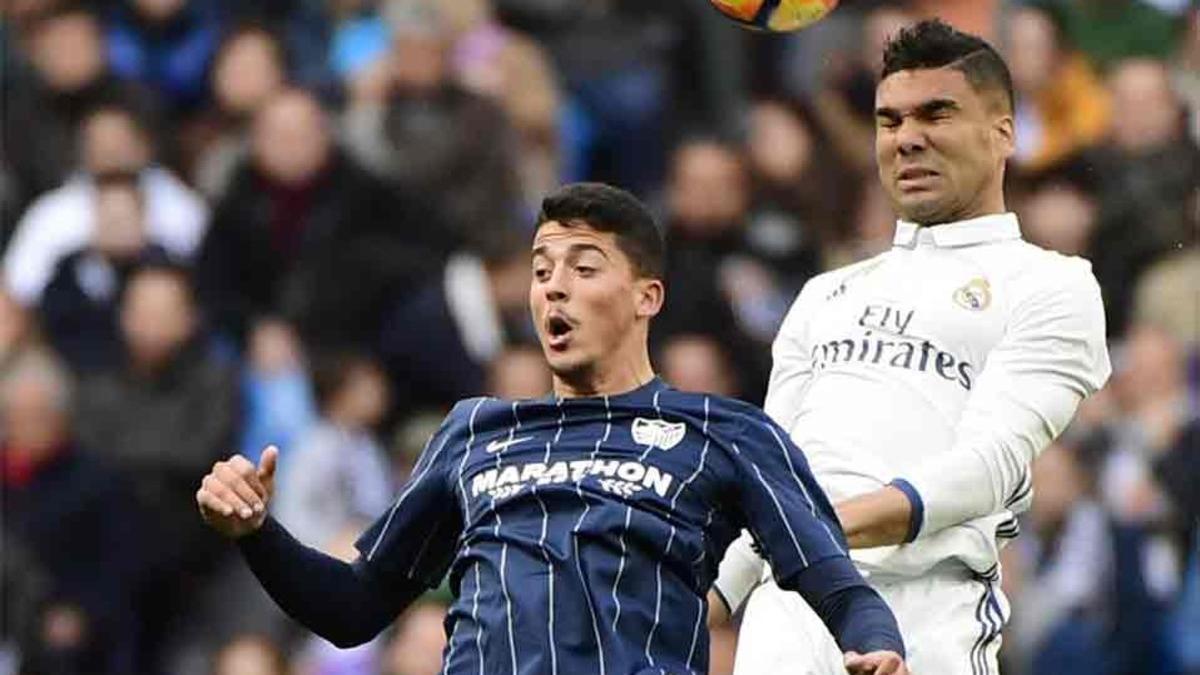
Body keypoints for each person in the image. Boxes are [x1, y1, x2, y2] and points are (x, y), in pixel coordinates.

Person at [197, 182, 910, 675]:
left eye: (583, 266)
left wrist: (875, 646)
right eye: (541, 270)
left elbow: (838, 586)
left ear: (646, 296)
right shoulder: (475, 430)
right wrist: (258, 533)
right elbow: (353, 607)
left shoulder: (722, 431)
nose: (554, 286)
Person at [709, 20, 1111, 675]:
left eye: (937, 113)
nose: (908, 138)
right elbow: (770, 476)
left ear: (1003, 132)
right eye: (889, 120)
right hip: (783, 620)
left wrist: (817, 530)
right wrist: (699, 597)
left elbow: (986, 468)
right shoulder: (824, 293)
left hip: (924, 614)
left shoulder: (1052, 283)